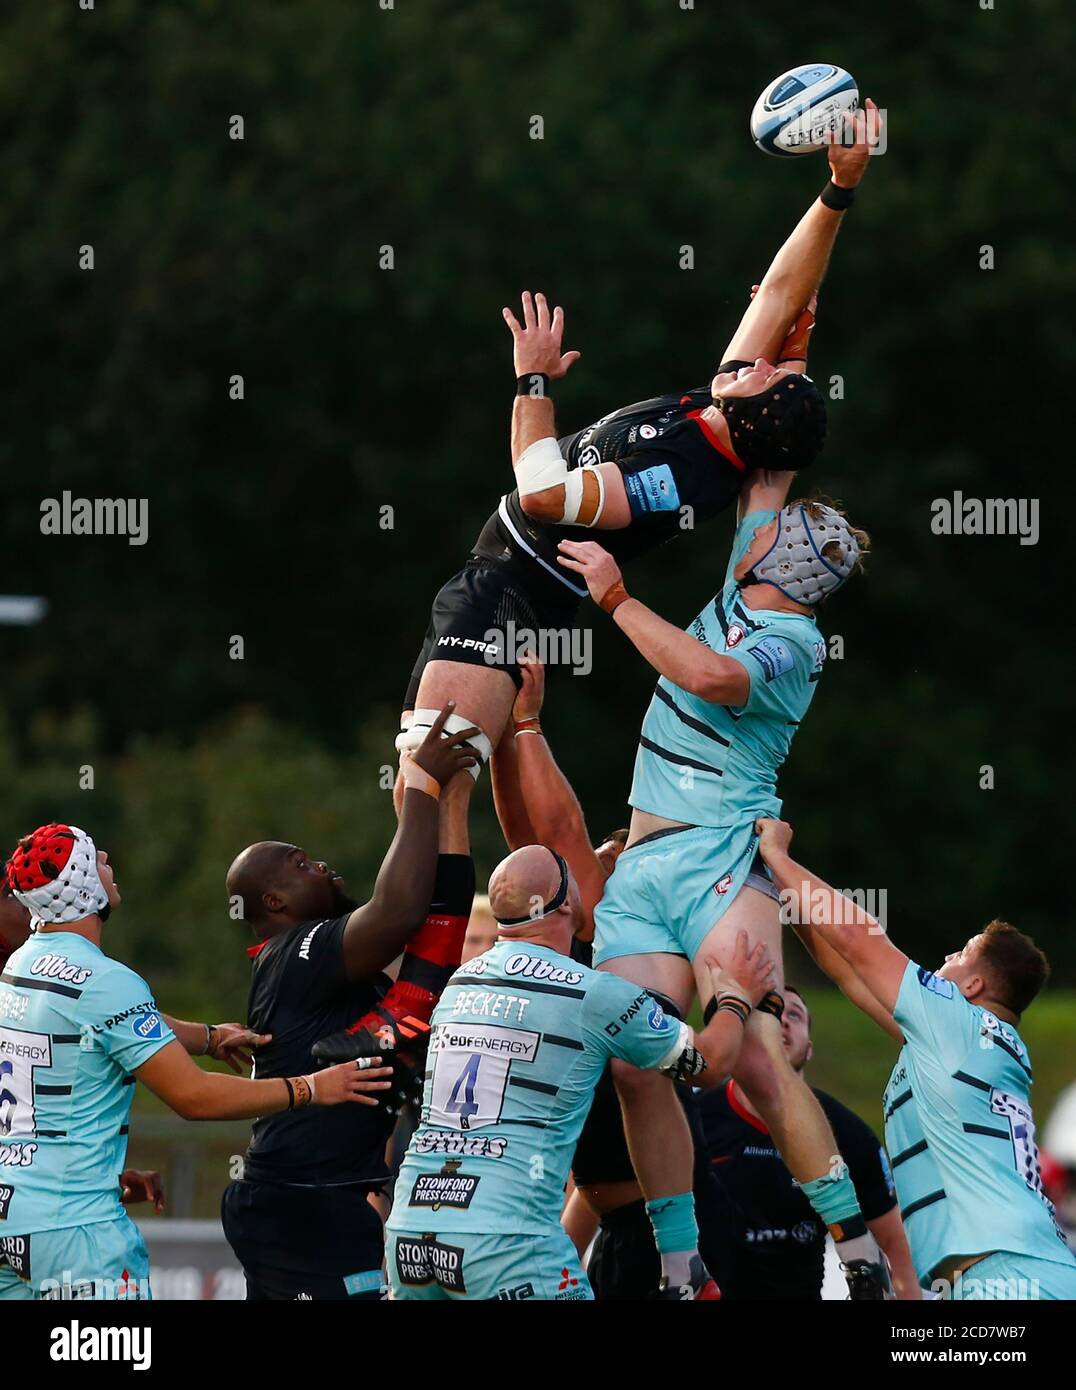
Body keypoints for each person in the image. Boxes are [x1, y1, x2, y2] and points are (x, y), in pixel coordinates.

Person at [392, 106, 882, 855]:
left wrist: (532, 382)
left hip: (508, 594)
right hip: (493, 584)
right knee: (422, 791)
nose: (759, 355)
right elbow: (784, 292)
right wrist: (839, 189)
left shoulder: (679, 479)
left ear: (750, 416)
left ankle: (425, 968)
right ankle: (436, 952)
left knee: (432, 789)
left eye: (765, 372)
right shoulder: (726, 406)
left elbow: (543, 496)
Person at [556, 449, 882, 1295]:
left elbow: (706, 673)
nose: (754, 522)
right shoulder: (747, 581)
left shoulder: (794, 640)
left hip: (722, 853)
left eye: (769, 528)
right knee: (635, 1062)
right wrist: (783, 344)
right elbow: (766, 460)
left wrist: (616, 597)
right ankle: (677, 1259)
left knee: (760, 1057)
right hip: (644, 863)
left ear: (782, 561)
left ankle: (855, 1246)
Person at [0, 823, 382, 1302]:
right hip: (74, 1231)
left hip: (14, 1211)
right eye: (97, 858)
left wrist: (208, 1037)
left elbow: (108, 1020)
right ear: (82, 886)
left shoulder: (19, 966)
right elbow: (194, 1097)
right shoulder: (106, 981)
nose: (108, 861)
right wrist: (308, 1088)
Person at [386, 845, 777, 1300]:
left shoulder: (460, 984)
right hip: (508, 1244)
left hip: (411, 1234)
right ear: (569, 902)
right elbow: (706, 1066)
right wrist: (735, 998)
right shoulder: (593, 995)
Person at [756, 815, 1076, 1300]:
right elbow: (846, 971)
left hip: (1007, 1279)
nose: (944, 960)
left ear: (973, 986)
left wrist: (779, 857)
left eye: (960, 953)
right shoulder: (961, 1045)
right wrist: (779, 887)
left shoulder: (958, 1023)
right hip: (1012, 1273)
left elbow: (860, 938)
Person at [220, 705, 479, 1299]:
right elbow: (399, 910)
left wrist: (445, 806)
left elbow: (438, 933)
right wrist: (419, 784)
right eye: (303, 865)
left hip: (325, 1198)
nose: (323, 866)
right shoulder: (293, 952)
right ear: (276, 901)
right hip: (295, 1202)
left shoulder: (318, 955)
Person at [695, 985, 919, 1299]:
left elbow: (895, 1244)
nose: (781, 1021)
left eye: (795, 1015)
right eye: (769, 1011)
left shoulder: (847, 1133)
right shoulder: (695, 1118)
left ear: (810, 1048)